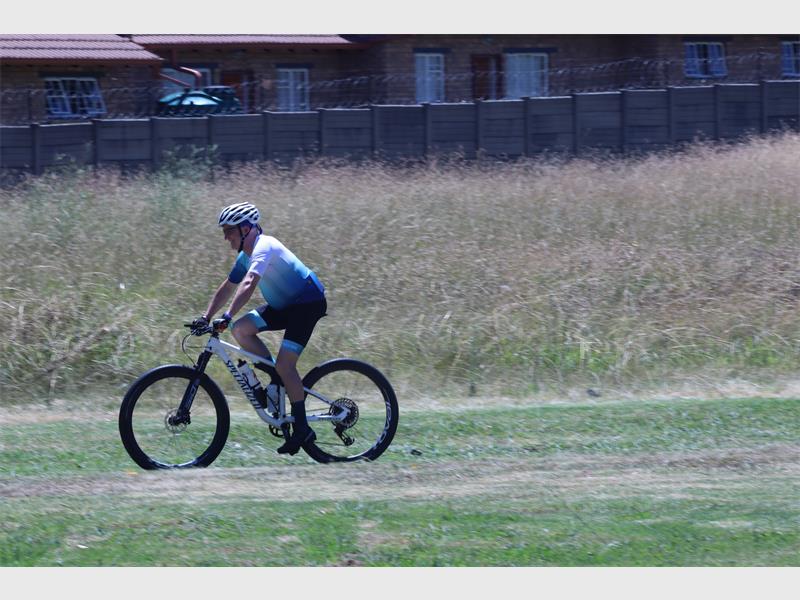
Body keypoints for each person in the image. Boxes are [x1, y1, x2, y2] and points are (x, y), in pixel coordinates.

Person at [192, 201, 327, 455]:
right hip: (285, 305)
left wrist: (228, 314)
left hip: (308, 303)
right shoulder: (246, 255)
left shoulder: (265, 247)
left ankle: (302, 428)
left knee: (286, 365)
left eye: (228, 231)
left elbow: (249, 283)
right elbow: (229, 285)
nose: (225, 237)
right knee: (240, 330)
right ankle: (276, 379)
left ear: (245, 229)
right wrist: (206, 316)